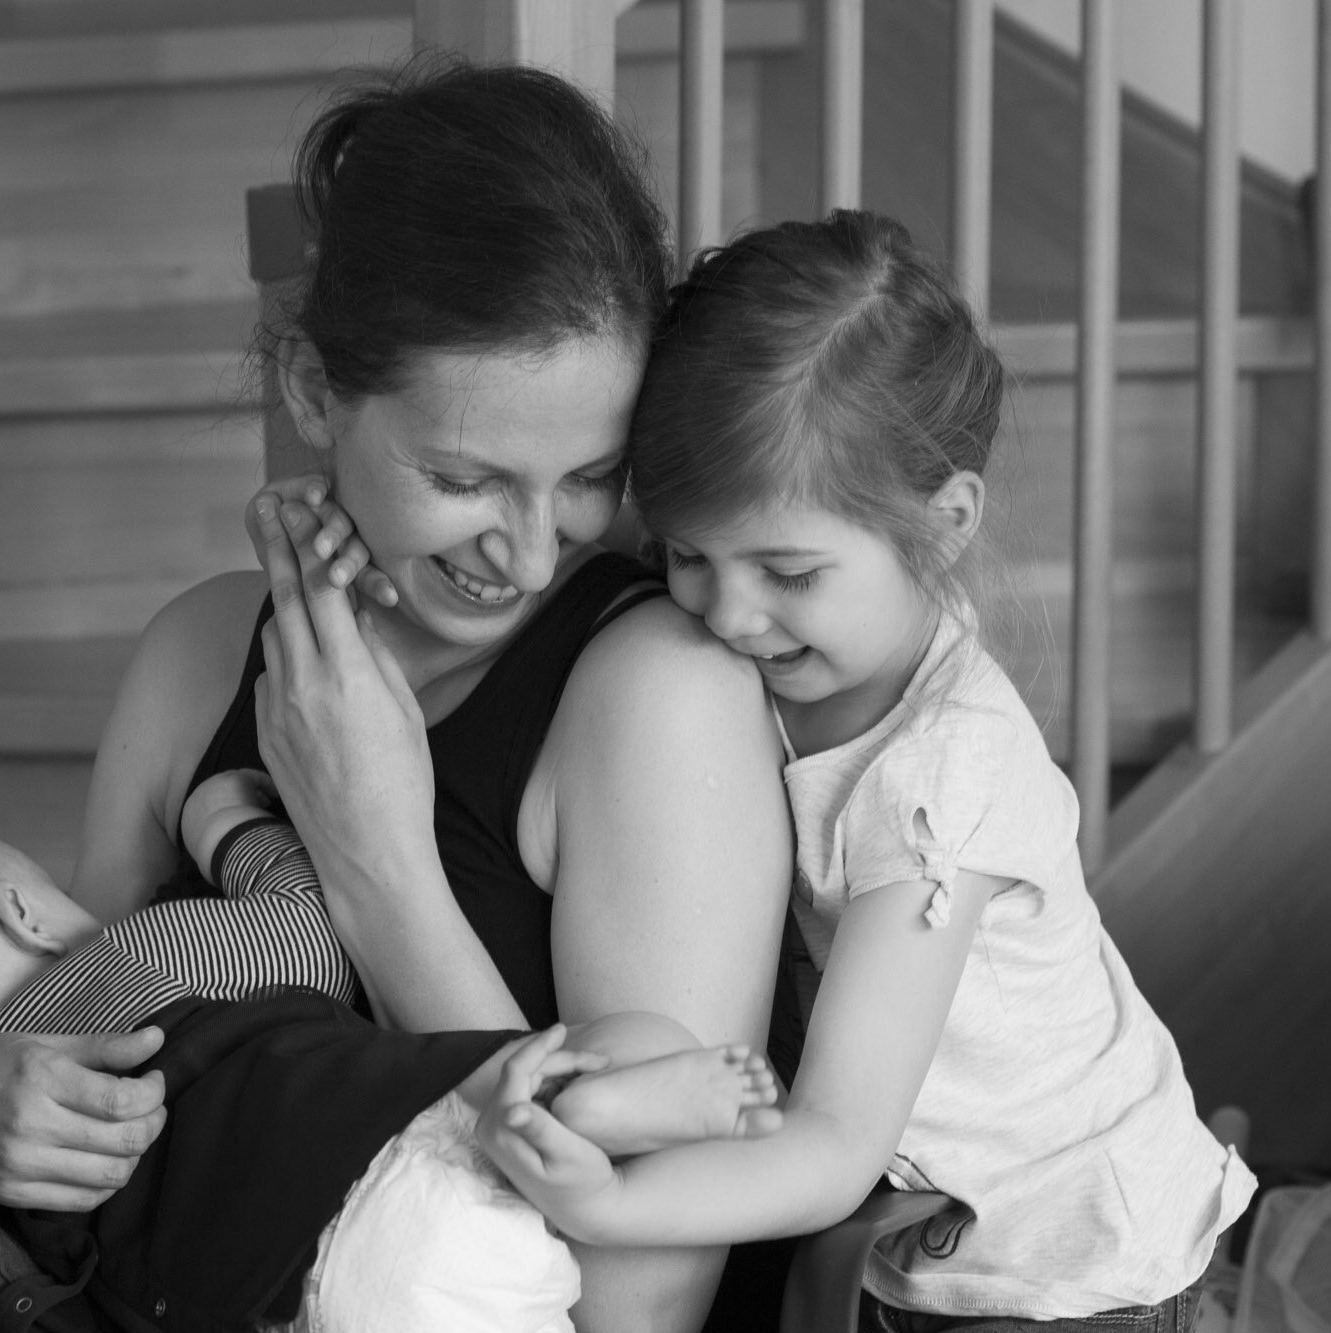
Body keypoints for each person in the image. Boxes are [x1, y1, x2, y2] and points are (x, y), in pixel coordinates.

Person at [0, 59, 791, 1333]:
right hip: (89, 1288)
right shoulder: (195, 656)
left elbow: (641, 1302)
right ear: (310, 390)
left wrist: (377, 857)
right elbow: (89, 996)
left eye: (586, 477)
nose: (526, 548)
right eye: (463, 476)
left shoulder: (650, 693)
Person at [466, 211, 1258, 1332]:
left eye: (785, 572)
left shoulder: (937, 780)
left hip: (1071, 1278)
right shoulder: (803, 660)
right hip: (921, 1240)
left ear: (941, 528)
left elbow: (834, 1143)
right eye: (687, 554)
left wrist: (608, 1203)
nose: (730, 614)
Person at [0, 784, 781, 1333]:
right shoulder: (136, 954)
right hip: (391, 1178)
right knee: (625, 1041)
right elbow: (309, 933)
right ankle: (581, 1103)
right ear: (24, 912)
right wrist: (230, 822)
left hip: (256, 1306)